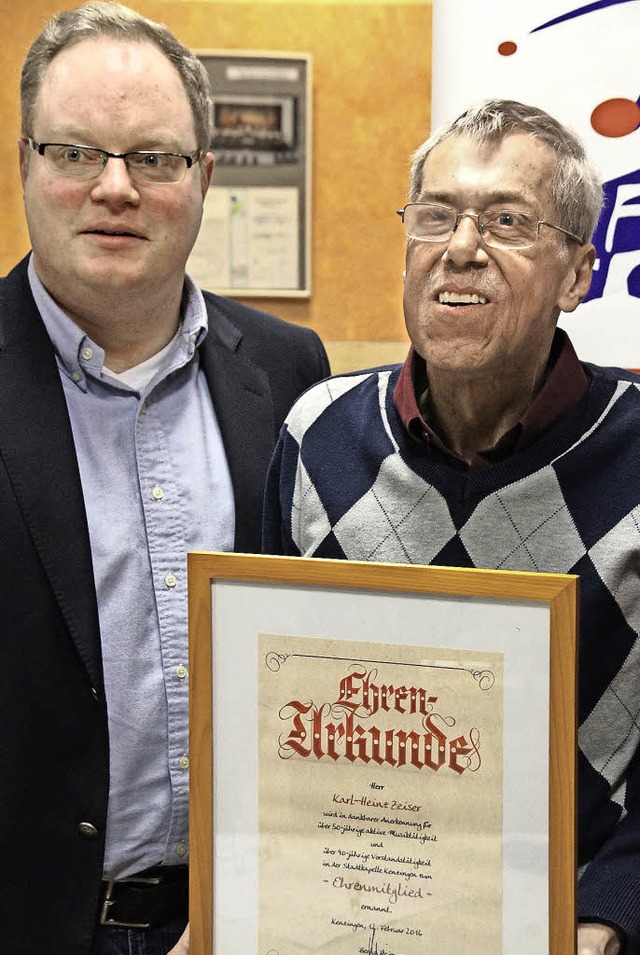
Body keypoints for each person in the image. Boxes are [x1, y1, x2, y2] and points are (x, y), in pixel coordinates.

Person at [263, 99, 640, 955]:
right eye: (435, 215)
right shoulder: (316, 433)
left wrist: (611, 910)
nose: (460, 247)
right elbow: (267, 707)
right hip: (342, 923)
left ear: (577, 275)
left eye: (507, 220)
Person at [0, 3, 329, 953]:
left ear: (205, 178)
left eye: (153, 158)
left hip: (247, 921)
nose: (115, 189)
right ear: (27, 163)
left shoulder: (290, 369)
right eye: (74, 154)